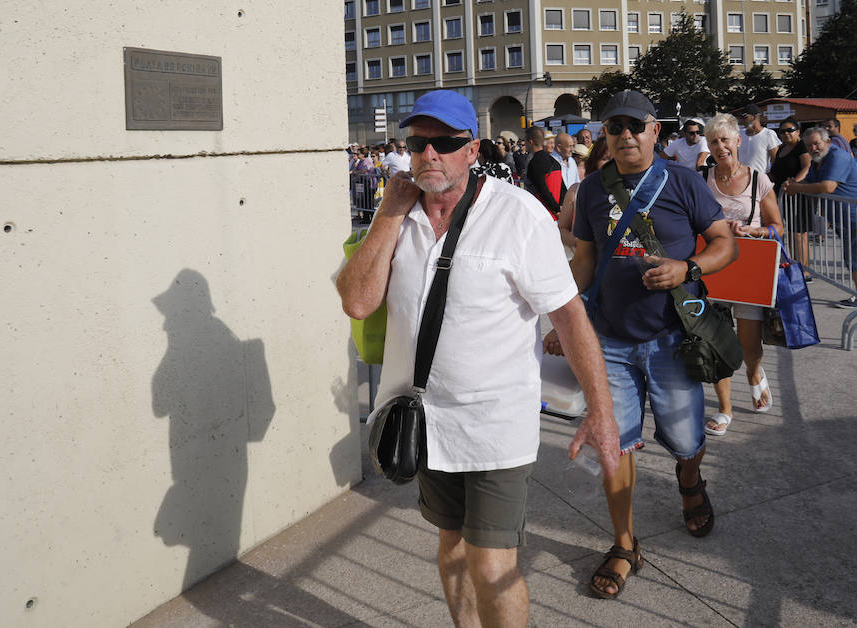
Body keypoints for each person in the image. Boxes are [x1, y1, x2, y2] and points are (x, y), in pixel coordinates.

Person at [336, 89, 619, 628]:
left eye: (445, 143)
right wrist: (388, 216)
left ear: (472, 150)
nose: (429, 155)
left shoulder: (517, 215)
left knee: (492, 565)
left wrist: (601, 412)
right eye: (419, 143)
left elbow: (569, 317)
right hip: (424, 420)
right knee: (452, 545)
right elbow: (356, 300)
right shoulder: (396, 213)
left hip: (494, 425)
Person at [562, 90, 737, 598]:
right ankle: (623, 544)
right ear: (604, 136)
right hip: (610, 342)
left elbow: (725, 243)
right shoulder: (593, 189)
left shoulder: (683, 181)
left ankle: (689, 481)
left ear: (654, 131)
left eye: (634, 126)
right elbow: (586, 262)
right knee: (614, 444)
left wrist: (689, 267)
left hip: (671, 339)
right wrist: (565, 317)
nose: (624, 135)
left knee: (686, 441)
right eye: (614, 127)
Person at [700, 113, 785, 438]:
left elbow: (777, 226)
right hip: (713, 272)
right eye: (714, 142)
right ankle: (725, 409)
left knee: (749, 346)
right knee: (717, 344)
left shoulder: (759, 179)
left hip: (748, 273)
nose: (720, 147)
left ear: (738, 141)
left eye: (725, 140)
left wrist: (754, 230)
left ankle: (753, 373)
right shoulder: (702, 178)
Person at [783, 126, 857, 307]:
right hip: (846, 217)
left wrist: (797, 188)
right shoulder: (820, 160)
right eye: (809, 146)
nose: (813, 148)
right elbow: (810, 180)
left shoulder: (837, 157)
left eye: (816, 144)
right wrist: (793, 183)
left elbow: (827, 187)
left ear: (827, 142)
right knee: (854, 257)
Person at [769, 120, 812, 270]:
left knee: (799, 234)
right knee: (791, 234)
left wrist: (794, 183)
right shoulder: (781, 148)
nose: (786, 133)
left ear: (798, 131)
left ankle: (804, 270)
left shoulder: (802, 146)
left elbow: (807, 166)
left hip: (798, 195)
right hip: (783, 197)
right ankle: (795, 266)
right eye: (782, 131)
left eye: (790, 130)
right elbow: (774, 173)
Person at [524, 126, 563, 217]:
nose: (524, 144)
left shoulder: (534, 163)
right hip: (555, 214)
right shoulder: (556, 162)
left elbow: (542, 190)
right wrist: (560, 208)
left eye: (525, 141)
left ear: (531, 142)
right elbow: (562, 188)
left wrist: (556, 209)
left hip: (541, 213)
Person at [737, 108, 780, 174]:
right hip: (741, 179)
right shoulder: (739, 134)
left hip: (761, 179)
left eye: (744, 117)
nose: (741, 120)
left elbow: (775, 159)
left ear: (755, 117)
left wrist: (771, 176)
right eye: (740, 118)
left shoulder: (768, 134)